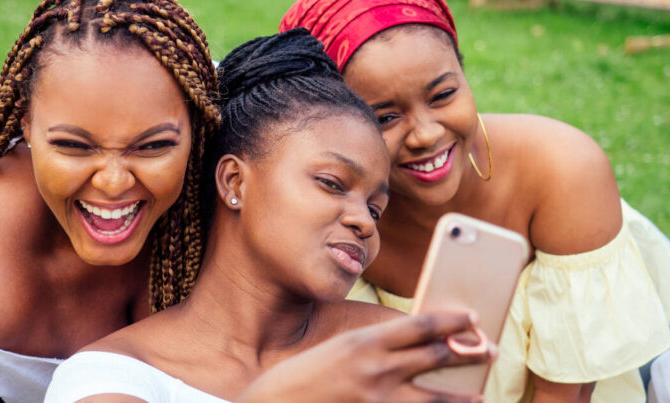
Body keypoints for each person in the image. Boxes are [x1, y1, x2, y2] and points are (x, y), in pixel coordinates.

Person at [0, 1, 492, 401]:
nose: (112, 182)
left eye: (155, 145)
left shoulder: (203, 107)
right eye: (75, 146)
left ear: (196, 131)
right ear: (25, 130)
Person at [281, 1, 670, 402]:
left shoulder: (562, 170)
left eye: (443, 94)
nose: (426, 135)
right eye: (385, 118)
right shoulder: (335, 216)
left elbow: (567, 392)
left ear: (465, 75)